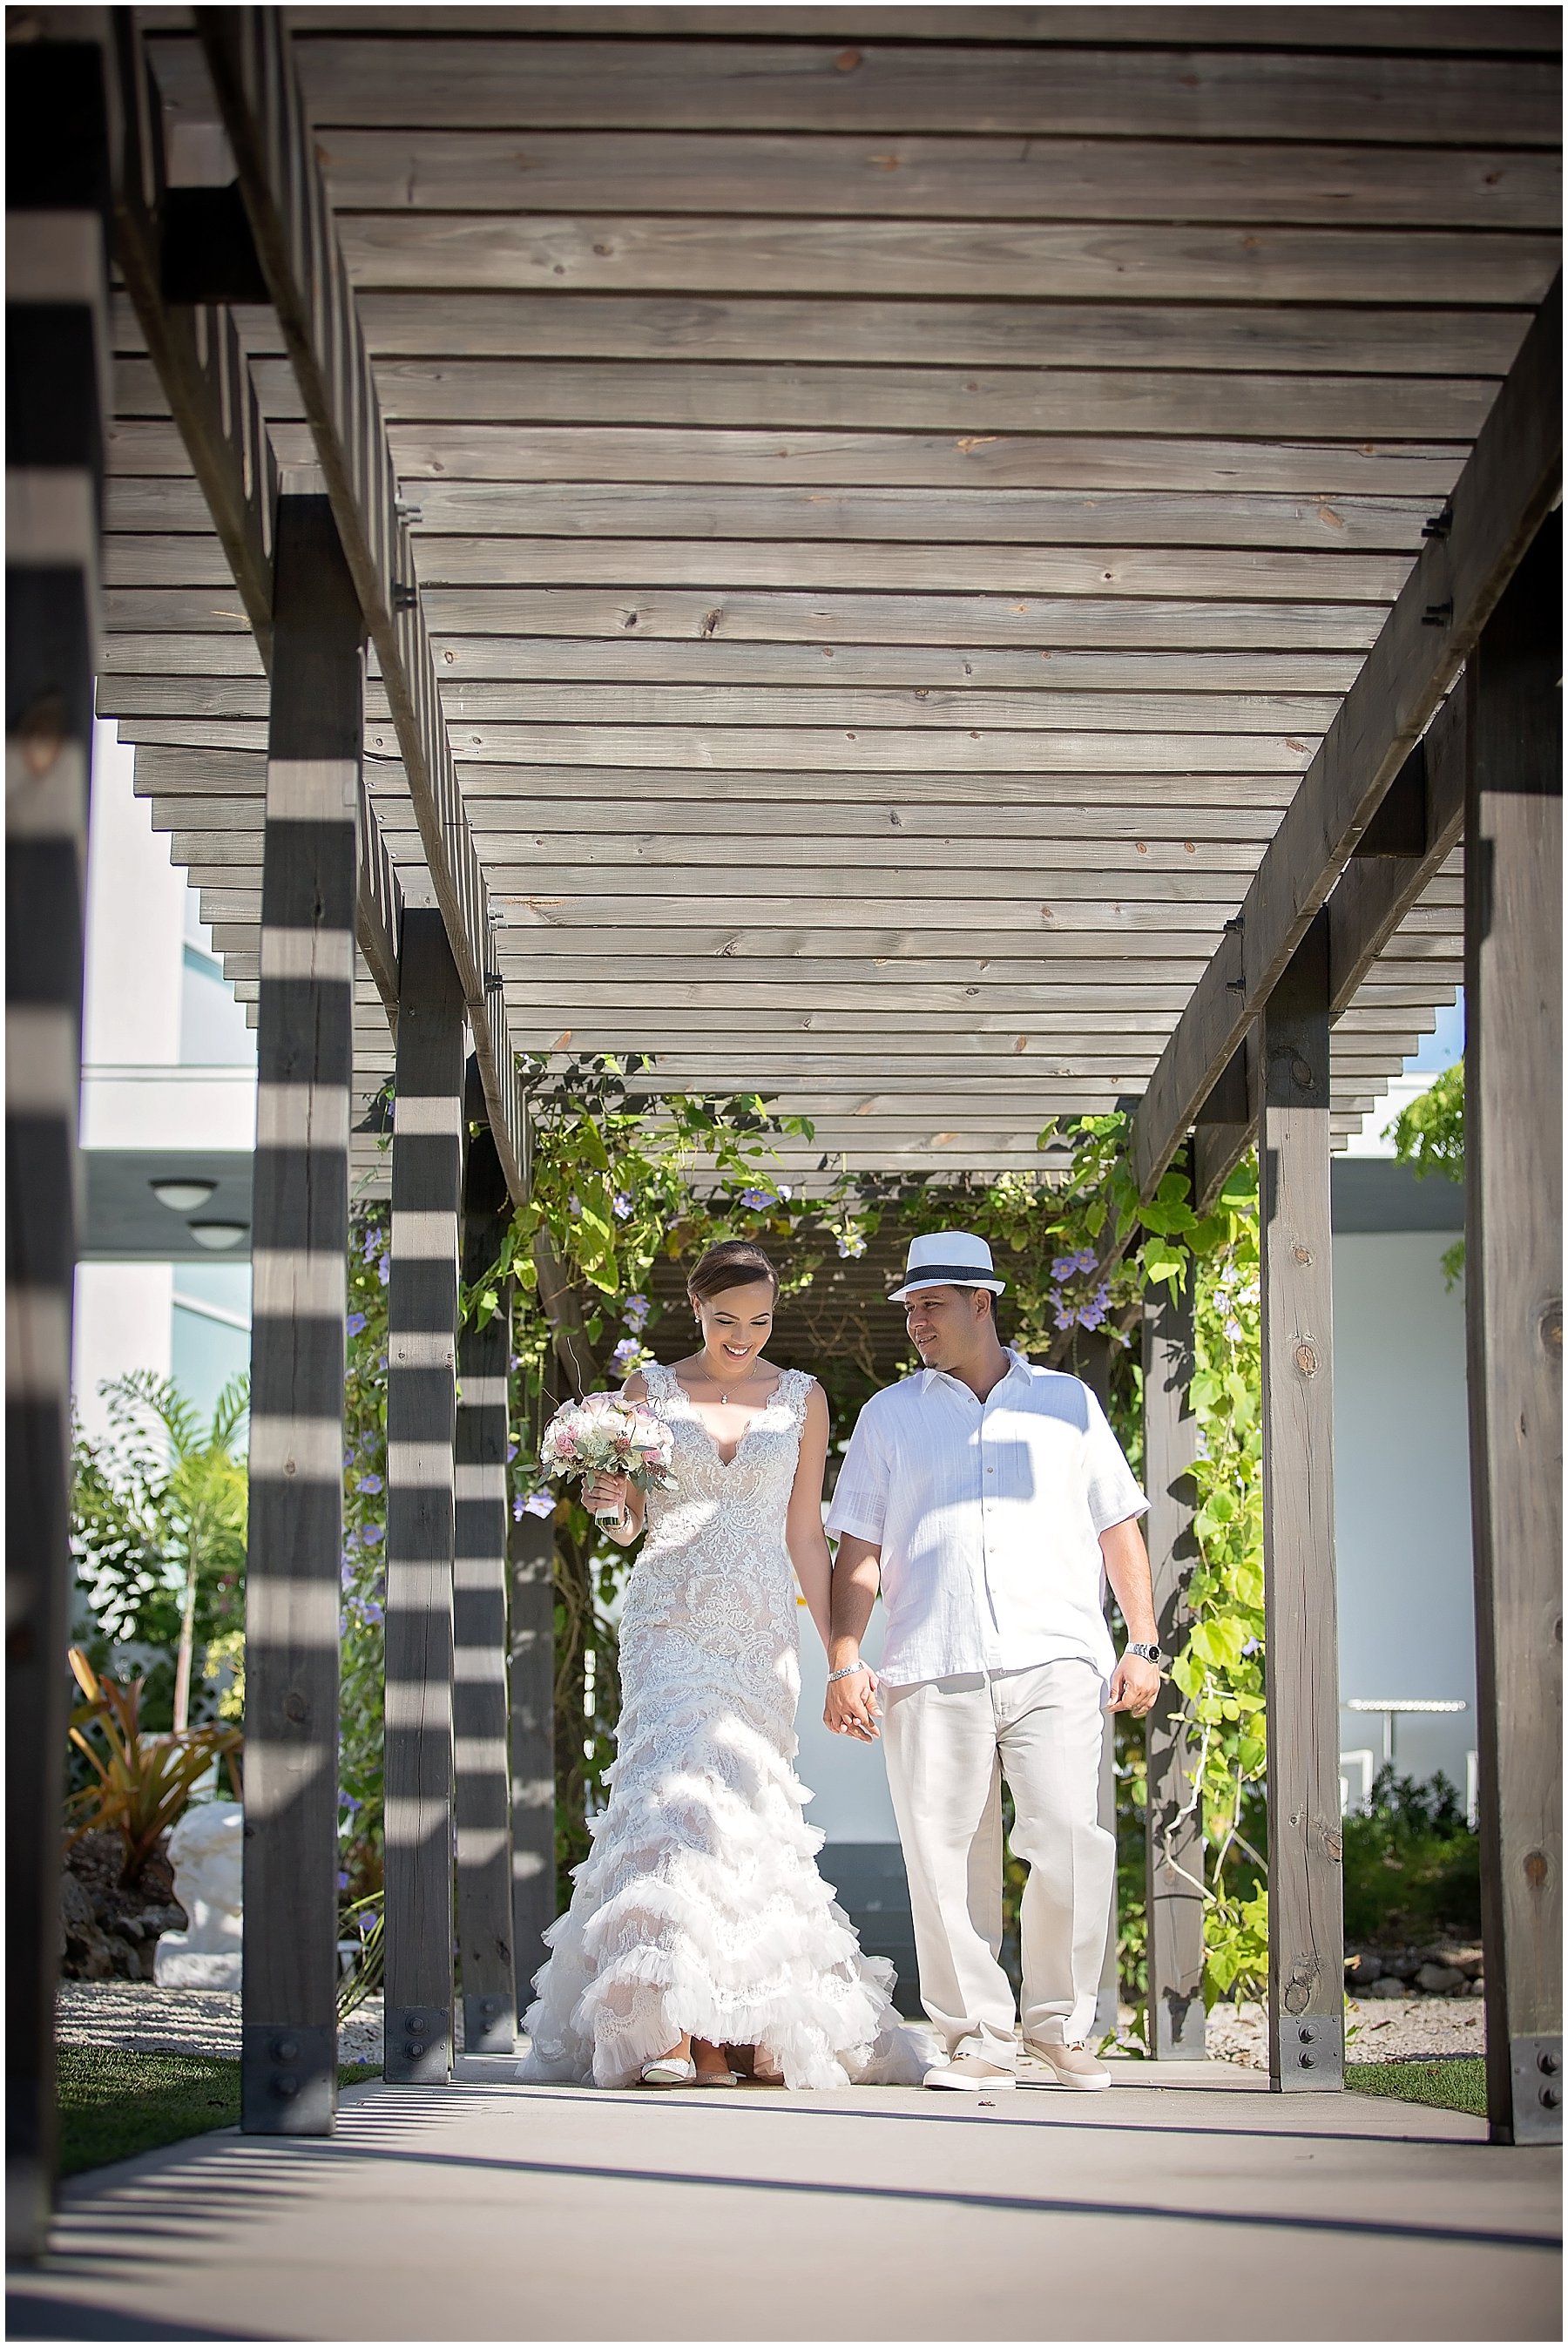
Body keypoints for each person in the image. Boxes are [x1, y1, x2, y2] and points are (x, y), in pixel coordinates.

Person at [517, 1237, 925, 2092]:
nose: (744, 1336)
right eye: (727, 1319)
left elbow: (806, 1534)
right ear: (696, 1310)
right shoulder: (647, 1392)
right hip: (669, 1626)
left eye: (761, 1321)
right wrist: (607, 1503)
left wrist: (842, 1657)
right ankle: (670, 2023)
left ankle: (749, 2024)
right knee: (675, 1801)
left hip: (760, 1638)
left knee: (745, 1817)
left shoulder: (803, 1399)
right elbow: (629, 1525)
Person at [823, 1230, 1164, 2093]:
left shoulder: (1069, 1403)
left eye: (931, 1305)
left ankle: (1061, 2027)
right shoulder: (888, 1416)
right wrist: (843, 1660)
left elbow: (1116, 1526)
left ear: (982, 1302)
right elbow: (857, 1549)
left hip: (1058, 1658)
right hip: (930, 1662)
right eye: (908, 1308)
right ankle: (977, 2038)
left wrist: (1144, 1642)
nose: (915, 1323)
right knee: (943, 1859)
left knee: (1070, 1841)